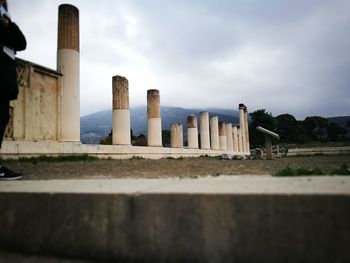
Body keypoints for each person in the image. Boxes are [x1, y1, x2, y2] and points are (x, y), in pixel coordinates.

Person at [0, 0, 26, 180]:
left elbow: (21, 43)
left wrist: (9, 25)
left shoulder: (6, 20)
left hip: (5, 78)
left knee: (2, 116)